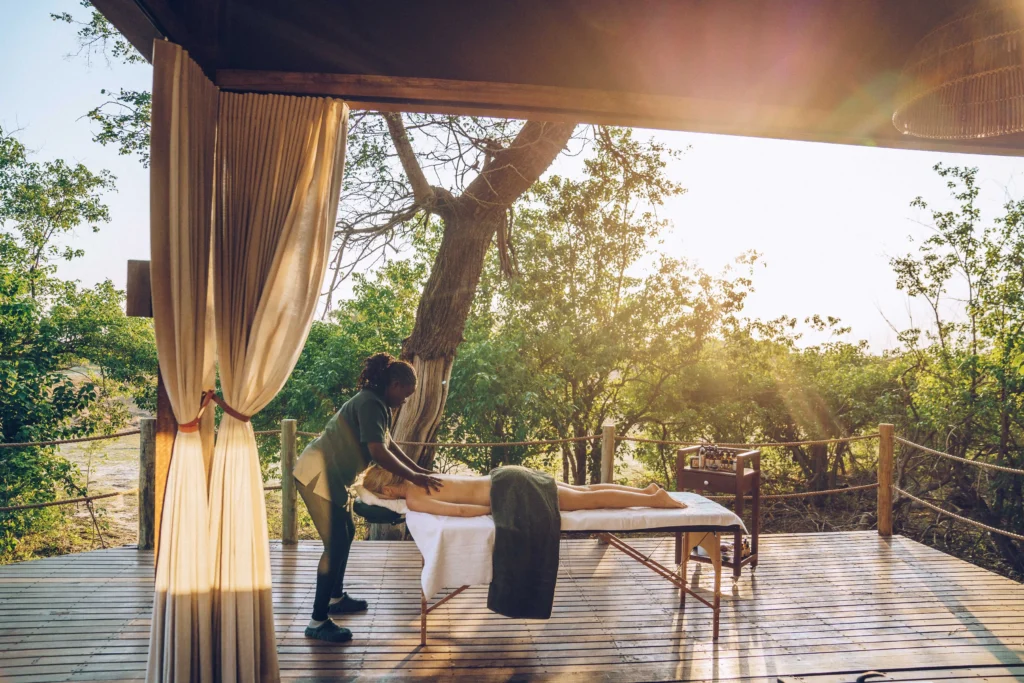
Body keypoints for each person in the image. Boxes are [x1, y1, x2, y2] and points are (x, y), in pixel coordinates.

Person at [292, 353, 443, 643]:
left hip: (334, 478)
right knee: (335, 544)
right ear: (395, 384)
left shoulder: (379, 404)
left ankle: (335, 598)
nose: (406, 400)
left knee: (346, 534)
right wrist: (414, 478)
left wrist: (418, 470)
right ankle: (317, 620)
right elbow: (377, 451)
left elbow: (389, 443)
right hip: (316, 474)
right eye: (407, 394)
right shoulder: (371, 403)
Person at [361, 465, 686, 516]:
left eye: (381, 496)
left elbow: (460, 510)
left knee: (587, 500)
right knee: (583, 489)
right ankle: (645, 492)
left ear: (389, 491)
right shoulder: (422, 477)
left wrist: (492, 511)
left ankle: (654, 499)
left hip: (510, 492)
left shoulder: (416, 498)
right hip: (507, 475)